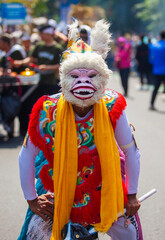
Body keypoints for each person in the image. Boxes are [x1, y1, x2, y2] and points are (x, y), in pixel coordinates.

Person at [18, 20, 142, 240]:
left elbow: (131, 151)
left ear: (102, 80)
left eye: (91, 76)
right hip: (58, 182)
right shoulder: (47, 110)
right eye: (75, 76)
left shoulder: (113, 106)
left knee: (127, 232)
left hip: (102, 182)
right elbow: (26, 155)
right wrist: (32, 199)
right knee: (35, 231)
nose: (83, 83)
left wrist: (131, 195)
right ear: (64, 80)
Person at [13, 24, 63, 135]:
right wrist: (20, 62)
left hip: (51, 83)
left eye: (41, 33)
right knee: (33, 106)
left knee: (52, 108)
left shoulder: (57, 48)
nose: (40, 35)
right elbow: (32, 58)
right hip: (37, 83)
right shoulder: (39, 46)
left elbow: (61, 65)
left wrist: (47, 67)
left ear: (48, 33)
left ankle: (53, 130)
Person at [149, 30, 165, 110]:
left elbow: (151, 59)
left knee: (155, 88)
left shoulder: (153, 46)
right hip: (164, 70)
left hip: (156, 70)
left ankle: (151, 104)